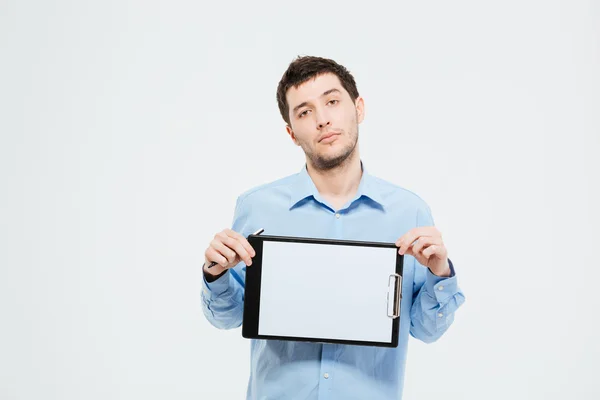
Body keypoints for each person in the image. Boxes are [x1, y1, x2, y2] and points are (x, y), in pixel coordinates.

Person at [201, 55, 465, 400]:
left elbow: (426, 330)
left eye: (332, 101)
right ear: (291, 132)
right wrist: (214, 274)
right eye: (305, 112)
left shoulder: (409, 212)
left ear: (358, 108)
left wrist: (439, 273)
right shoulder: (257, 207)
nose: (322, 119)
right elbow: (229, 318)